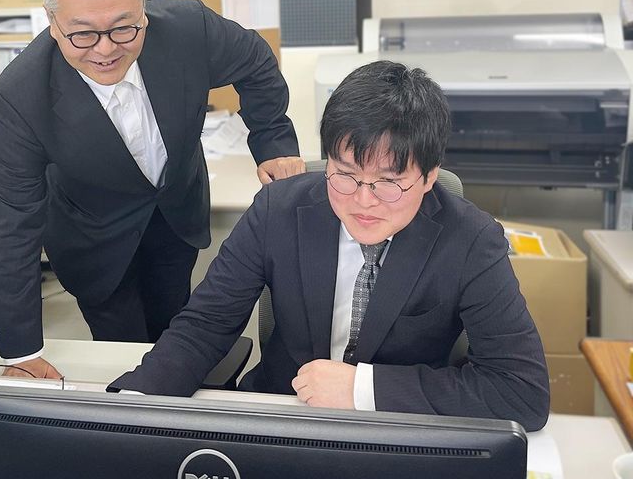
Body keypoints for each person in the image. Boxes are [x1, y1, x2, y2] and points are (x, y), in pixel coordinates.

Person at [109, 60, 550, 432]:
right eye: (345, 175)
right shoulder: (277, 210)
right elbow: (204, 326)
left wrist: (362, 389)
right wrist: (127, 409)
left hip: (397, 427)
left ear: (429, 177)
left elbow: (522, 391)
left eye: (389, 183)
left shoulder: (471, 240)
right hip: (282, 418)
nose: (363, 201)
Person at [0, 0, 304, 379]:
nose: (105, 49)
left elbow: (255, 61)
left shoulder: (188, 29)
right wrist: (20, 353)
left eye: (124, 28)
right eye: (82, 34)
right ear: (52, 21)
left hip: (174, 212)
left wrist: (273, 142)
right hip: (92, 238)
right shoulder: (21, 96)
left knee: (177, 329)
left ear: (142, 6)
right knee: (123, 351)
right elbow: (13, 223)